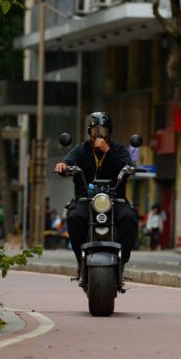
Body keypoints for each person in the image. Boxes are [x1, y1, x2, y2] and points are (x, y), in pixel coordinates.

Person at [54, 111, 139, 281]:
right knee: (74, 217)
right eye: (94, 132)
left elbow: (127, 167)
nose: (99, 136)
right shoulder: (81, 149)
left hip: (115, 200)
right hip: (85, 199)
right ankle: (81, 261)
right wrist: (63, 165)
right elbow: (69, 161)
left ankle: (122, 261)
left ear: (109, 132)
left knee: (130, 218)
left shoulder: (119, 149)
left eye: (103, 131)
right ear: (89, 133)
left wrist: (108, 152)